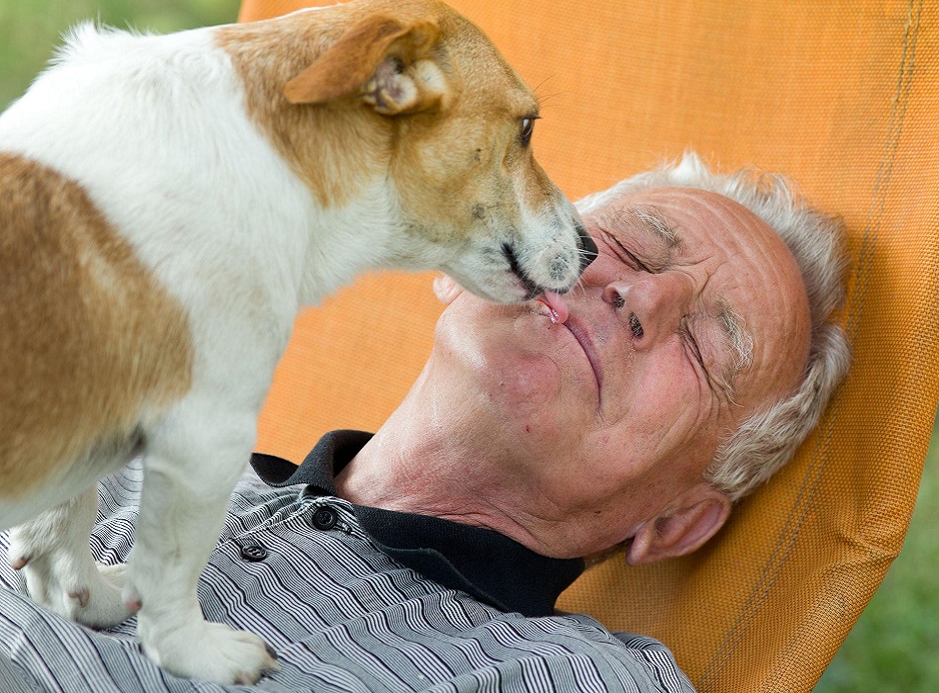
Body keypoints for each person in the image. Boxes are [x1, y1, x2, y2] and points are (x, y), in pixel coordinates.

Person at [0, 154, 851, 692]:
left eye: (706, 347)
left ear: (674, 524)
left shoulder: (567, 679)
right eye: (629, 246)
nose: (641, 295)